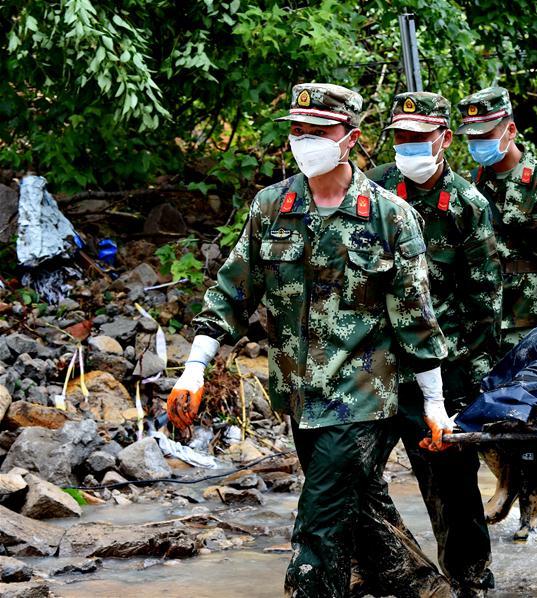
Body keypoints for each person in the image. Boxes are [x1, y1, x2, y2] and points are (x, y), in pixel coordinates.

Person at [165, 83, 453, 597]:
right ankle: (422, 587)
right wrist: (195, 368)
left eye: (319, 132)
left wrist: (434, 403)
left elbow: (416, 318)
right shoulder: (272, 207)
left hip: (361, 399)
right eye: (298, 130)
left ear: (351, 139)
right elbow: (232, 291)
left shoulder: (390, 216)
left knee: (318, 525)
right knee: (359, 507)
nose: (305, 141)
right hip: (299, 397)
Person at [363, 91, 502, 596]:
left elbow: (484, 301)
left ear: (444, 139)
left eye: (419, 139)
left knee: (452, 486)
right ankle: (379, 568)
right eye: (400, 138)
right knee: (349, 474)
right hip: (373, 367)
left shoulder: (467, 205)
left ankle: (468, 578)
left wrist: (461, 381)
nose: (408, 148)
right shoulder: (374, 190)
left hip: (442, 369)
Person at [455, 86, 537, 541]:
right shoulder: (475, 182)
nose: (477, 144)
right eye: (470, 136)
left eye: (485, 134)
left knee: (532, 418)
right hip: (485, 317)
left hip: (532, 319)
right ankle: (505, 480)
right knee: (480, 402)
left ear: (509, 130)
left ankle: (535, 510)